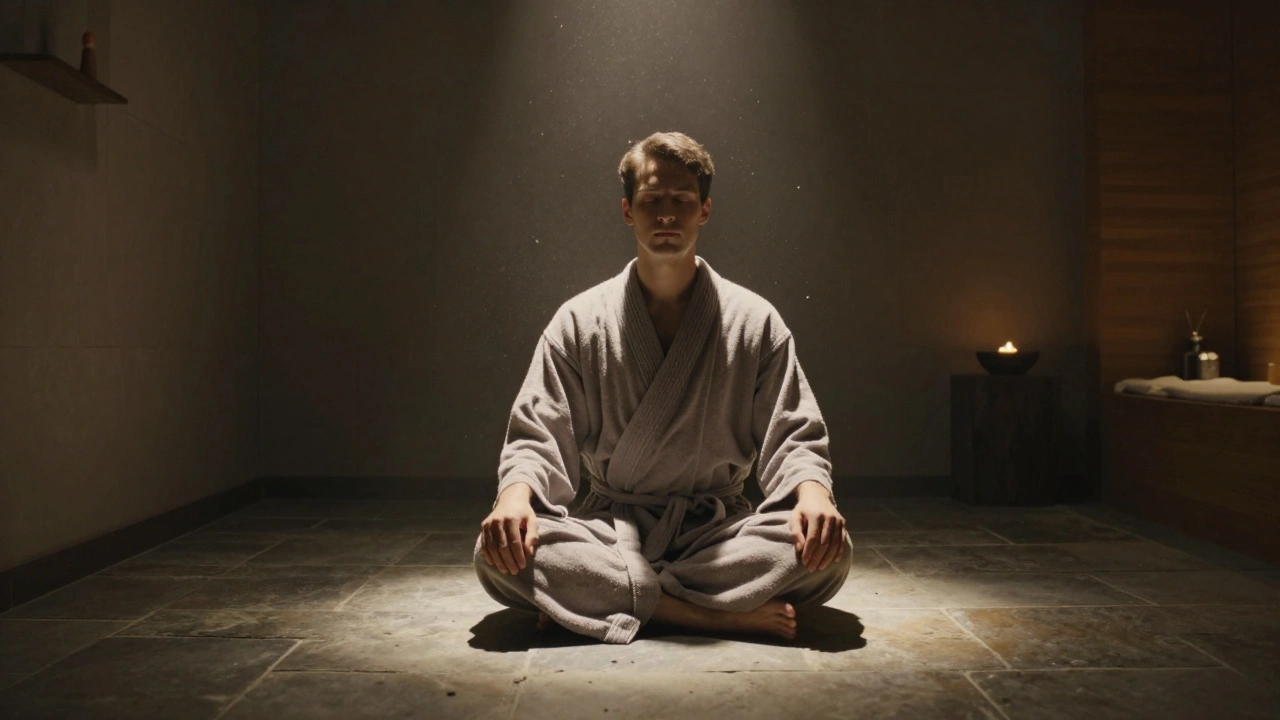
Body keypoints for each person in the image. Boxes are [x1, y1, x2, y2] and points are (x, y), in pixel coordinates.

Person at [474, 131, 852, 645]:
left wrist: (814, 495)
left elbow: (795, 432)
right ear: (628, 211)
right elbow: (536, 434)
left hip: (716, 535)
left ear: (705, 210)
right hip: (611, 531)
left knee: (828, 551)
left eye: (682, 201)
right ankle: (711, 616)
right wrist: (513, 500)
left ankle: (595, 602)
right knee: (496, 554)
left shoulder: (754, 320)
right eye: (653, 202)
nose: (668, 216)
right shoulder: (580, 320)